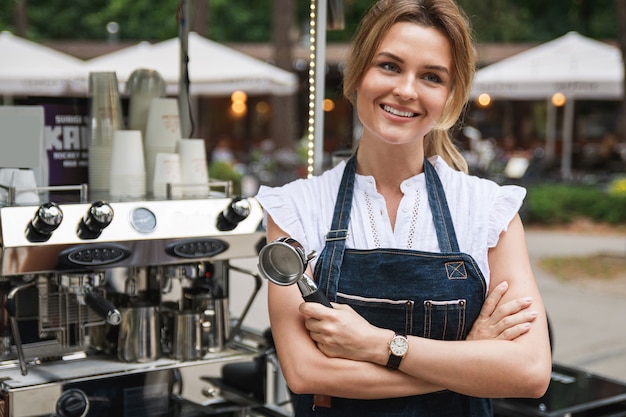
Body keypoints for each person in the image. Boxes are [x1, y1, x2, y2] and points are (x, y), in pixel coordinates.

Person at [255, 0, 552, 415]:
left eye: (431, 76)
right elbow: (306, 372)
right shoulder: (296, 208)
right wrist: (469, 358)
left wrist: (377, 345)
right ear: (358, 73)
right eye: (390, 66)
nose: (406, 90)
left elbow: (530, 372)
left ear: (450, 97)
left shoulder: (488, 209)